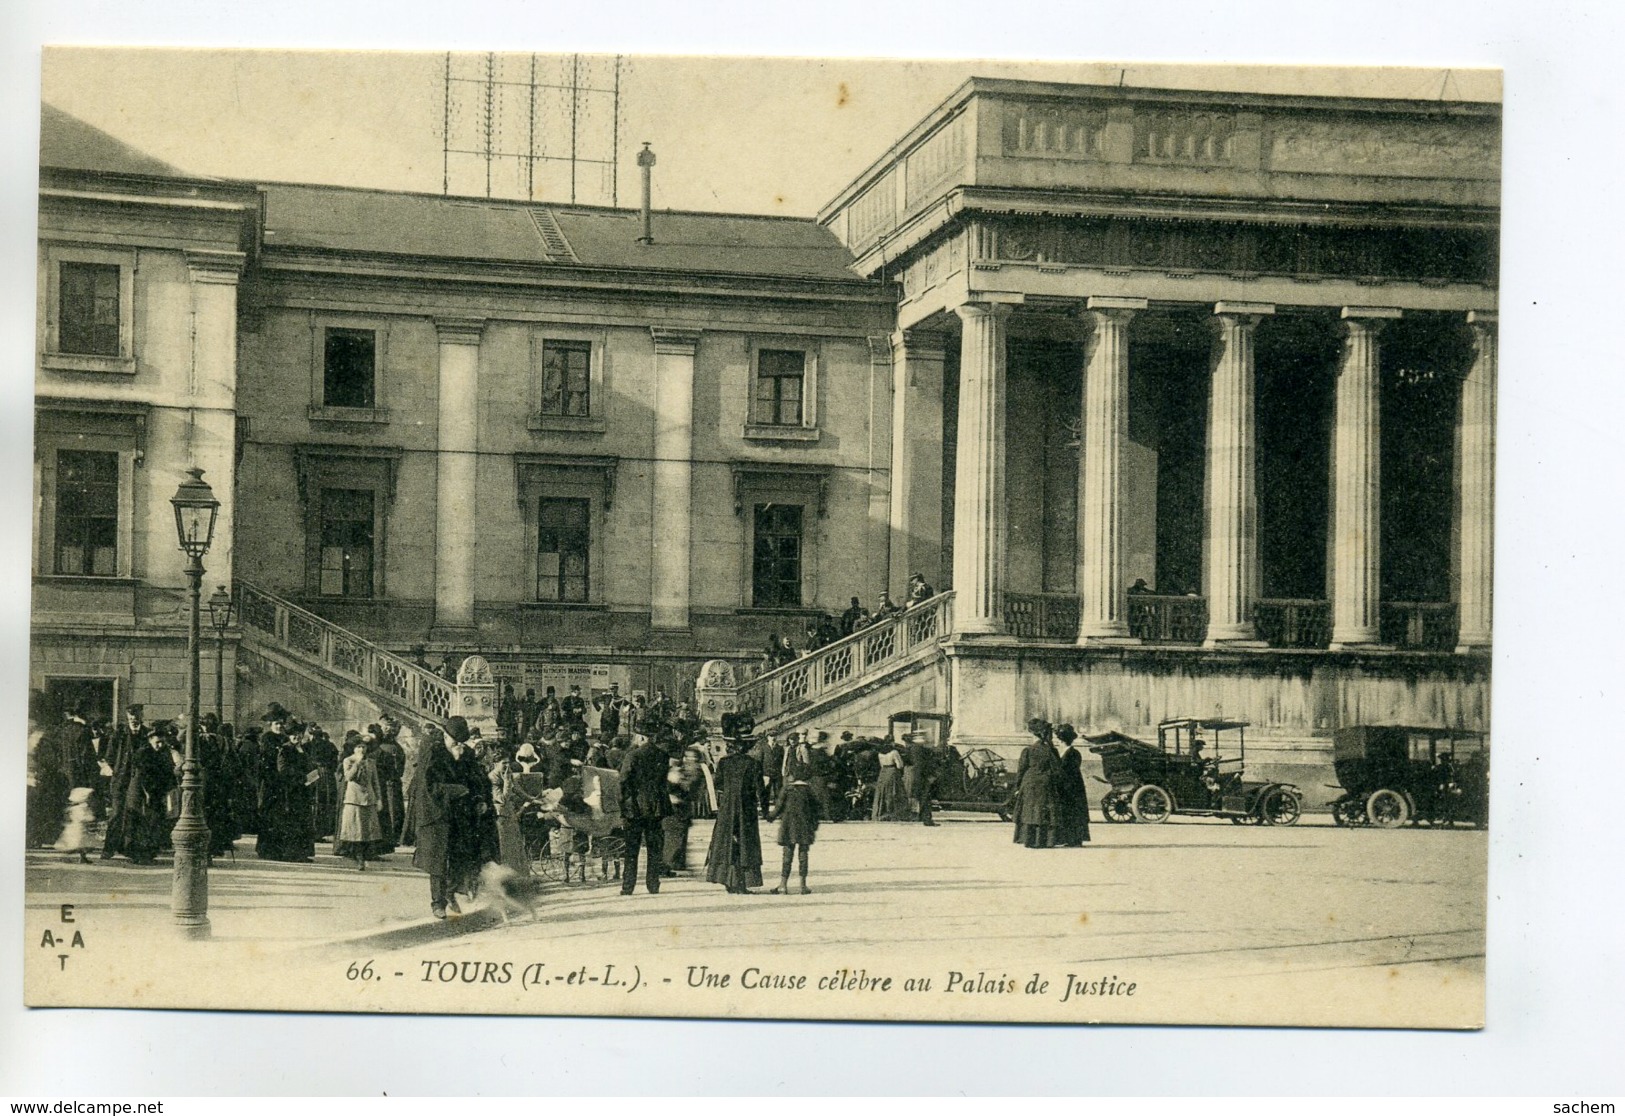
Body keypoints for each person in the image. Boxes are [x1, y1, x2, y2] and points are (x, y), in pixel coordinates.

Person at [410, 723, 470, 919]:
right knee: (437, 861)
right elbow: (429, 787)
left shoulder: (462, 753)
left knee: (460, 855)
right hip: (435, 815)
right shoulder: (433, 754)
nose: (458, 744)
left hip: (457, 814)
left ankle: (450, 891)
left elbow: (472, 780)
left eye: (462, 741)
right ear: (445, 736)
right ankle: (438, 903)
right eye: (455, 740)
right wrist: (455, 790)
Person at [706, 717, 765, 894]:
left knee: (726, 841)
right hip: (746, 807)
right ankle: (742, 882)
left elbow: (717, 783)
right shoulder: (753, 763)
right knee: (745, 842)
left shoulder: (724, 762)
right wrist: (766, 809)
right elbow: (760, 789)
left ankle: (728, 879)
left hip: (727, 807)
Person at [617, 732, 671, 895]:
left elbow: (623, 781)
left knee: (631, 849)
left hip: (635, 808)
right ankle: (653, 884)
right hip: (656, 807)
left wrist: (623, 805)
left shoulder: (632, 755)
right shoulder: (663, 755)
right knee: (654, 847)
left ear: (641, 738)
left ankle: (628, 886)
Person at [769, 747, 819, 894]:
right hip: (805, 826)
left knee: (787, 854)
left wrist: (770, 817)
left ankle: (783, 884)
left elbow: (778, 807)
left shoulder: (787, 789)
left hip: (788, 825)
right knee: (803, 854)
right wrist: (814, 826)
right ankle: (803, 885)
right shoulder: (809, 790)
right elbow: (816, 810)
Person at [335, 734, 385, 870]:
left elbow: (375, 782)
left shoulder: (371, 762)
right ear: (353, 748)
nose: (361, 750)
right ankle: (358, 858)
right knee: (356, 831)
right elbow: (348, 777)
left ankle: (365, 856)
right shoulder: (348, 761)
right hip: (353, 799)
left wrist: (379, 799)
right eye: (358, 747)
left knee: (367, 831)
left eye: (363, 747)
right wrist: (357, 763)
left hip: (369, 799)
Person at [1014, 719, 1062, 849]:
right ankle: (1045, 841)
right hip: (1046, 783)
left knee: (1030, 811)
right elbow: (1057, 770)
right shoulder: (1051, 750)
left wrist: (1017, 786)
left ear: (1033, 734)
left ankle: (1029, 840)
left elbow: (1021, 770)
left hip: (1029, 783)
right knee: (1044, 812)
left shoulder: (1028, 750)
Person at [1053, 723, 1092, 847]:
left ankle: (1075, 839)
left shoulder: (1073, 753)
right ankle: (1068, 838)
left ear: (1061, 740)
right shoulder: (1066, 752)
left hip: (1072, 787)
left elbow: (1070, 771)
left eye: (1058, 739)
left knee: (1073, 813)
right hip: (1067, 786)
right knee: (1068, 813)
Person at [55, 786, 103, 864]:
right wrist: (91, 818)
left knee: (83, 846)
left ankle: (83, 858)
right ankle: (64, 857)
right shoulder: (80, 807)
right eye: (89, 797)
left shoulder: (83, 806)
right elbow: (82, 817)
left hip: (83, 829)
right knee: (75, 846)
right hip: (78, 830)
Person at [905, 731, 941, 826]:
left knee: (922, 797)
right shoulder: (919, 749)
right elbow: (922, 765)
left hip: (917, 776)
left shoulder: (913, 748)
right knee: (925, 797)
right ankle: (927, 819)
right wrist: (930, 776)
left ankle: (922, 817)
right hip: (922, 777)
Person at [872, 738, 906, 821]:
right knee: (894, 792)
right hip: (892, 772)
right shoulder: (894, 752)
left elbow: (881, 765)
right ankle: (894, 813)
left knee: (882, 792)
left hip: (883, 772)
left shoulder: (880, 753)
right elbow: (899, 765)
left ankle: (881, 813)